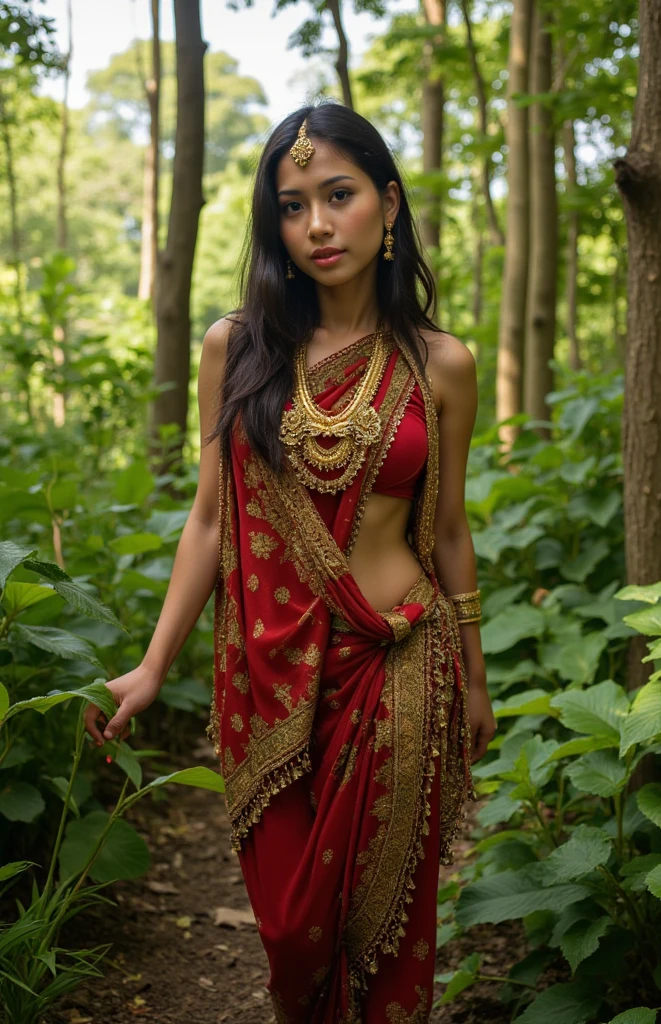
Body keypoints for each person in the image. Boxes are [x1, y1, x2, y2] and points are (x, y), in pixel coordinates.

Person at [84, 101, 496, 1024]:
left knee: (387, 933)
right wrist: (154, 665)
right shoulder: (237, 351)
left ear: (387, 206)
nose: (316, 223)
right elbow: (208, 523)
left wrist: (474, 673)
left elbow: (451, 530)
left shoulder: (442, 363)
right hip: (264, 677)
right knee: (291, 933)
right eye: (291, 204)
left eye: (338, 195)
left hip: (397, 670)